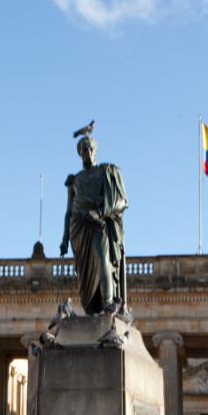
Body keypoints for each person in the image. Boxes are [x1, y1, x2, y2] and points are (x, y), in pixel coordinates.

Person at [60, 135, 128, 315]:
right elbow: (69, 211)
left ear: (95, 150)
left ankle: (108, 303)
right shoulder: (74, 181)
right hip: (79, 228)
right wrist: (65, 239)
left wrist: (99, 213)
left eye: (90, 149)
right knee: (84, 275)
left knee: (102, 257)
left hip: (100, 223)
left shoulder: (106, 172)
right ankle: (92, 308)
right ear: (79, 153)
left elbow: (122, 201)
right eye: (84, 150)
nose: (87, 153)